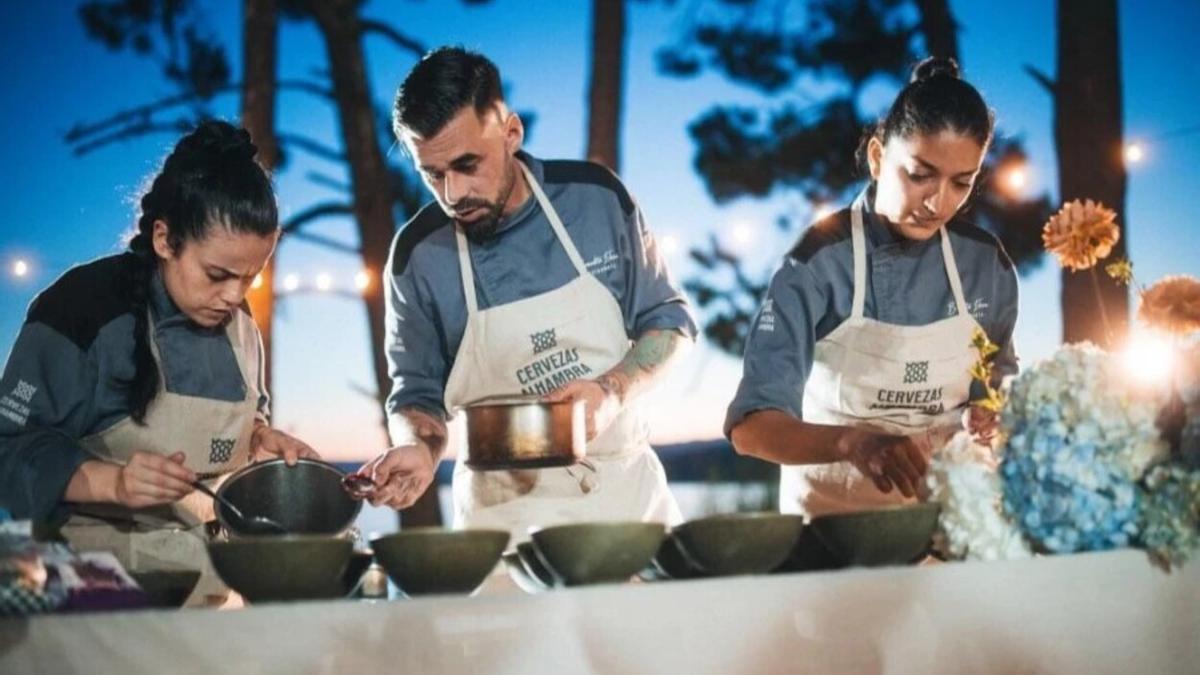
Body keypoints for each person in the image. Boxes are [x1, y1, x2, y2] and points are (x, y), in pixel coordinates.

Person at [354, 47, 696, 542]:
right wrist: (417, 449)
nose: (453, 194)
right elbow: (417, 395)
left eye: (468, 163)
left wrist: (611, 391)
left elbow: (670, 323)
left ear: (511, 132)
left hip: (625, 501)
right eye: (433, 175)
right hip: (501, 523)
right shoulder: (417, 257)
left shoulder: (595, 200)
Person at [0, 120, 317, 606]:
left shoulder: (241, 324)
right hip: (88, 594)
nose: (234, 296)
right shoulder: (81, 309)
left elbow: (244, 417)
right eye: (218, 274)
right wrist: (115, 483)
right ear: (165, 240)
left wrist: (258, 439)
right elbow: (11, 450)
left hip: (209, 587)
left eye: (251, 277)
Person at [725, 57, 1019, 518]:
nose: (938, 202)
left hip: (952, 526)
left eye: (962, 182)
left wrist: (992, 415)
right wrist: (852, 441)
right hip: (834, 533)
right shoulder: (819, 261)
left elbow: (995, 387)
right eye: (920, 175)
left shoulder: (986, 265)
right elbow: (752, 429)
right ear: (879, 157)